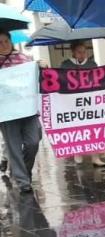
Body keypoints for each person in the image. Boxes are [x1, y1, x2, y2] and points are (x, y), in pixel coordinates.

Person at [0, 28, 42, 194]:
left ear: (11, 42)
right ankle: (23, 181)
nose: (3, 45)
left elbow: (35, 77)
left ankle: (23, 171)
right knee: (14, 147)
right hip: (7, 113)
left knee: (33, 142)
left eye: (6, 41)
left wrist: (40, 66)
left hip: (28, 110)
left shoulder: (24, 59)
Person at [60, 41, 105, 168]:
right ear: (73, 52)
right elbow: (61, 81)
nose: (82, 54)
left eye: (84, 51)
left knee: (93, 127)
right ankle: (77, 152)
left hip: (90, 101)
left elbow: (98, 80)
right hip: (73, 102)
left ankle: (95, 157)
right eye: (79, 52)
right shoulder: (65, 65)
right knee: (77, 127)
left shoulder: (92, 64)